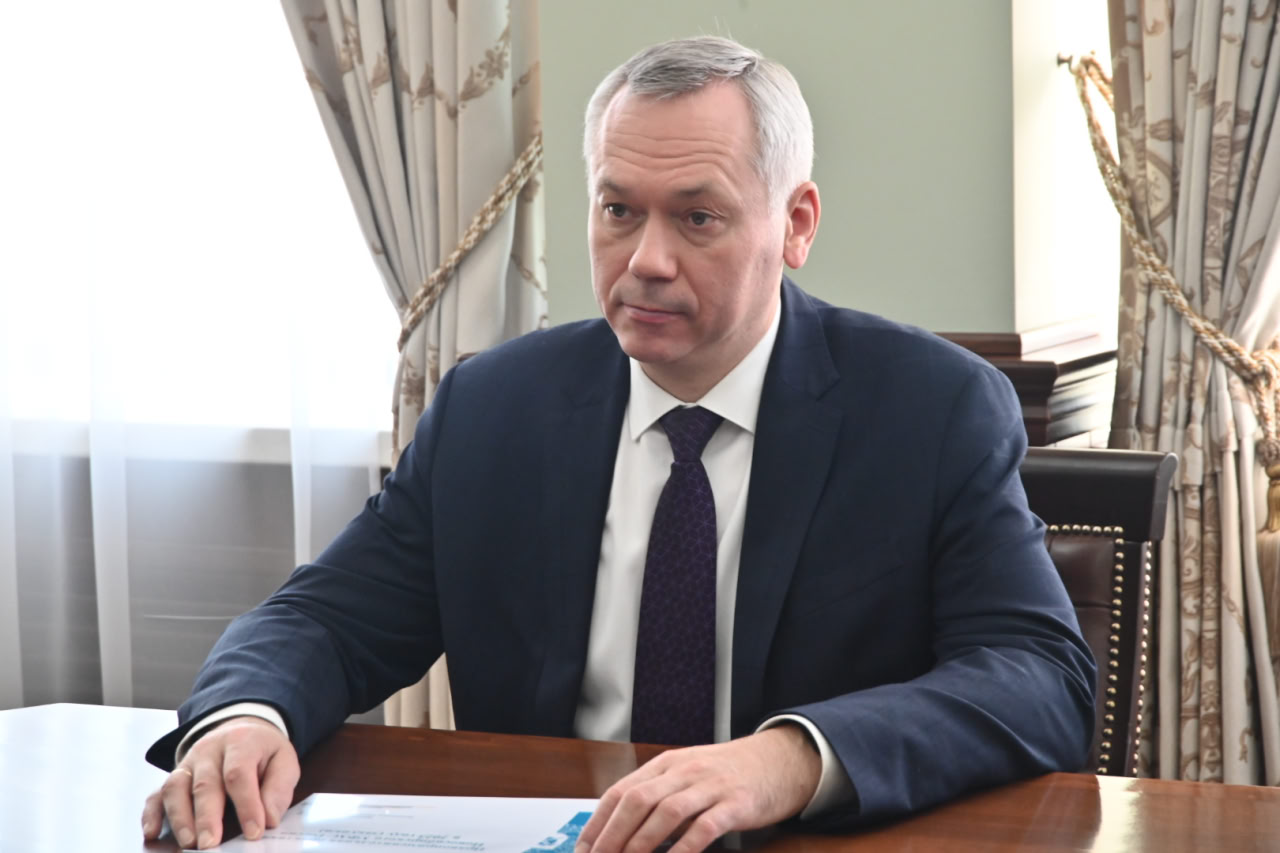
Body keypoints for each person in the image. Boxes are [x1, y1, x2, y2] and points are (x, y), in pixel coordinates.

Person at [141, 35, 1095, 852]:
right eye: (618, 209)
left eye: (697, 216)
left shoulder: (927, 409)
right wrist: (246, 715)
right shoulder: (495, 408)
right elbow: (328, 619)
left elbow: (1038, 676)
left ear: (795, 224)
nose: (646, 260)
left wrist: (790, 757)